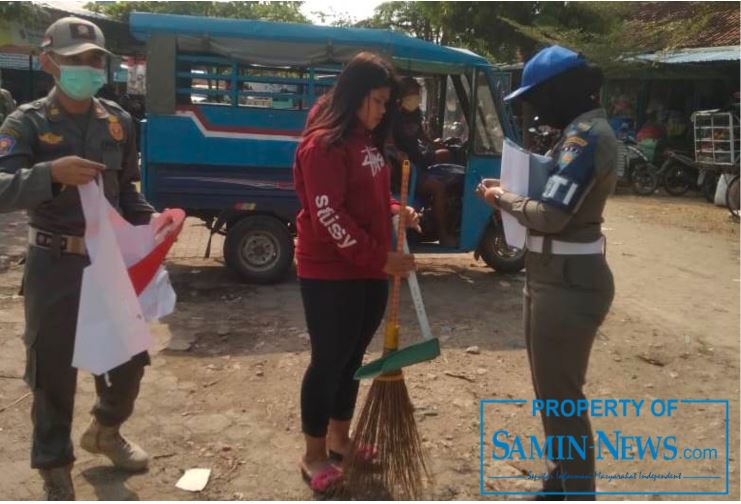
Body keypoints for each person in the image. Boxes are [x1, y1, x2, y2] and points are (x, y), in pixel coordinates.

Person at [0, 17, 157, 500]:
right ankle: (54, 465)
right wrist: (51, 173)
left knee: (131, 356)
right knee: (53, 370)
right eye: (75, 61)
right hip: (55, 263)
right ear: (49, 62)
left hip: (108, 263)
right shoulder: (25, 122)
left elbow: (125, 190)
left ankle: (105, 431)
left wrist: (152, 223)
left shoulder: (118, 120)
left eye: (94, 60)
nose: (87, 68)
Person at [477, 45, 617, 500]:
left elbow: (553, 213)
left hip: (568, 283)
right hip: (552, 276)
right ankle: (563, 478)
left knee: (563, 399)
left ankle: (577, 491)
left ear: (564, 90)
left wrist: (503, 199)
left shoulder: (587, 137)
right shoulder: (576, 132)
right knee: (552, 394)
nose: (535, 107)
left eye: (539, 96)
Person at [292, 52, 418, 494]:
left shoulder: (364, 139)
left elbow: (365, 197)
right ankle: (312, 454)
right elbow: (330, 215)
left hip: (366, 268)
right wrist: (380, 258)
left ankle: (339, 439)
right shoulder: (323, 144)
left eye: (387, 103)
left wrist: (397, 210)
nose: (384, 111)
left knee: (351, 359)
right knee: (328, 361)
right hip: (330, 271)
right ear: (356, 95)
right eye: (379, 101)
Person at [391, 77, 457, 246]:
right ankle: (443, 234)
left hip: (419, 158)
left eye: (417, 93)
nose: (416, 97)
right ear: (402, 95)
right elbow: (387, 142)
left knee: (447, 154)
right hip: (406, 168)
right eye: (412, 93)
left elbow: (420, 134)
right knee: (438, 188)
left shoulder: (415, 112)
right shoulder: (393, 116)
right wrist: (398, 153)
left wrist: (433, 142)